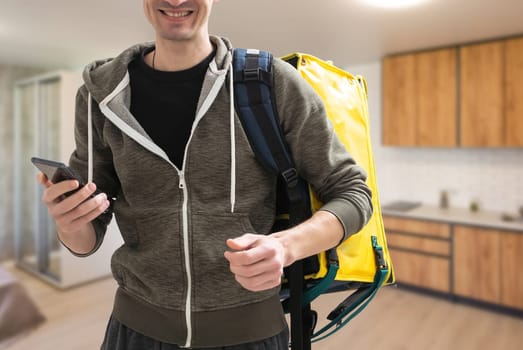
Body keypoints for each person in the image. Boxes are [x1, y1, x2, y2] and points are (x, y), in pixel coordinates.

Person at [36, 0, 373, 349]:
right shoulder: (98, 97)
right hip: (135, 333)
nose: (177, 0)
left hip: (251, 335)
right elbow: (85, 239)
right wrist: (69, 224)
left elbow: (353, 193)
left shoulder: (269, 83)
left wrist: (285, 246)